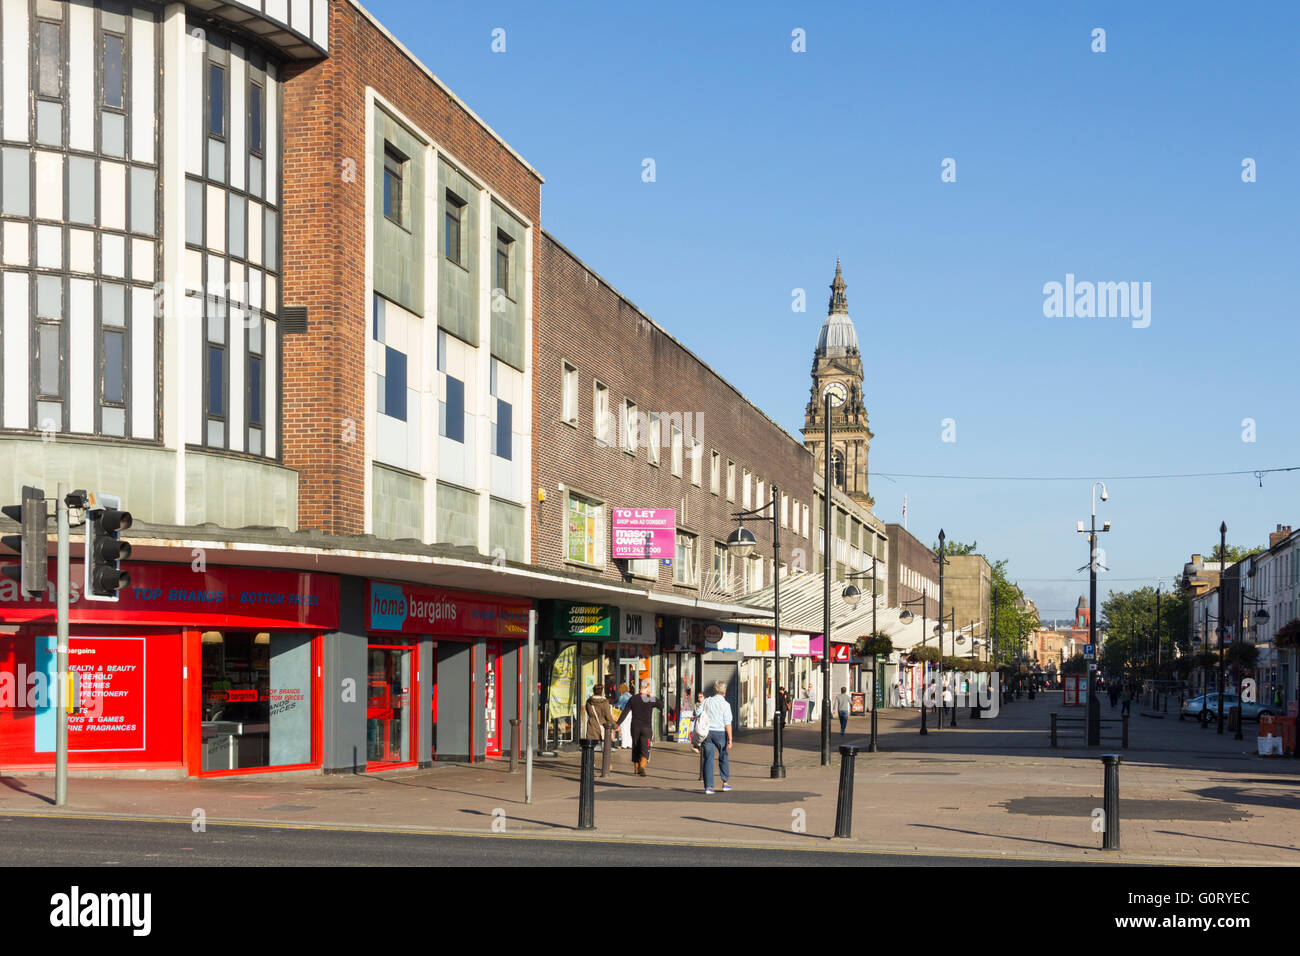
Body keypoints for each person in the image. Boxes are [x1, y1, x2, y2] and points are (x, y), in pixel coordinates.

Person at [616, 679, 663, 775]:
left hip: (635, 727)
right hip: (646, 727)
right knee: (645, 747)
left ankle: (636, 768)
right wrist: (654, 697)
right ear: (647, 687)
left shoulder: (633, 698)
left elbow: (625, 712)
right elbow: (661, 706)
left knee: (636, 746)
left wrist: (617, 724)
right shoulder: (649, 698)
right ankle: (642, 766)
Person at [695, 680, 734, 794]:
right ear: (724, 691)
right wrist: (730, 739)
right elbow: (728, 723)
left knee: (708, 758)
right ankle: (725, 782)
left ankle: (709, 786)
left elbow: (697, 713)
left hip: (707, 733)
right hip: (720, 733)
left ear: (715, 690)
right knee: (723, 756)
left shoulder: (707, 701)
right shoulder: (726, 704)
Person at [615, 682, 633, 749]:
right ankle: (630, 744)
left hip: (624, 713)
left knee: (623, 728)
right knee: (629, 729)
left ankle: (624, 744)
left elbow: (618, 705)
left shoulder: (622, 696)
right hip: (631, 713)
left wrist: (615, 705)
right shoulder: (630, 695)